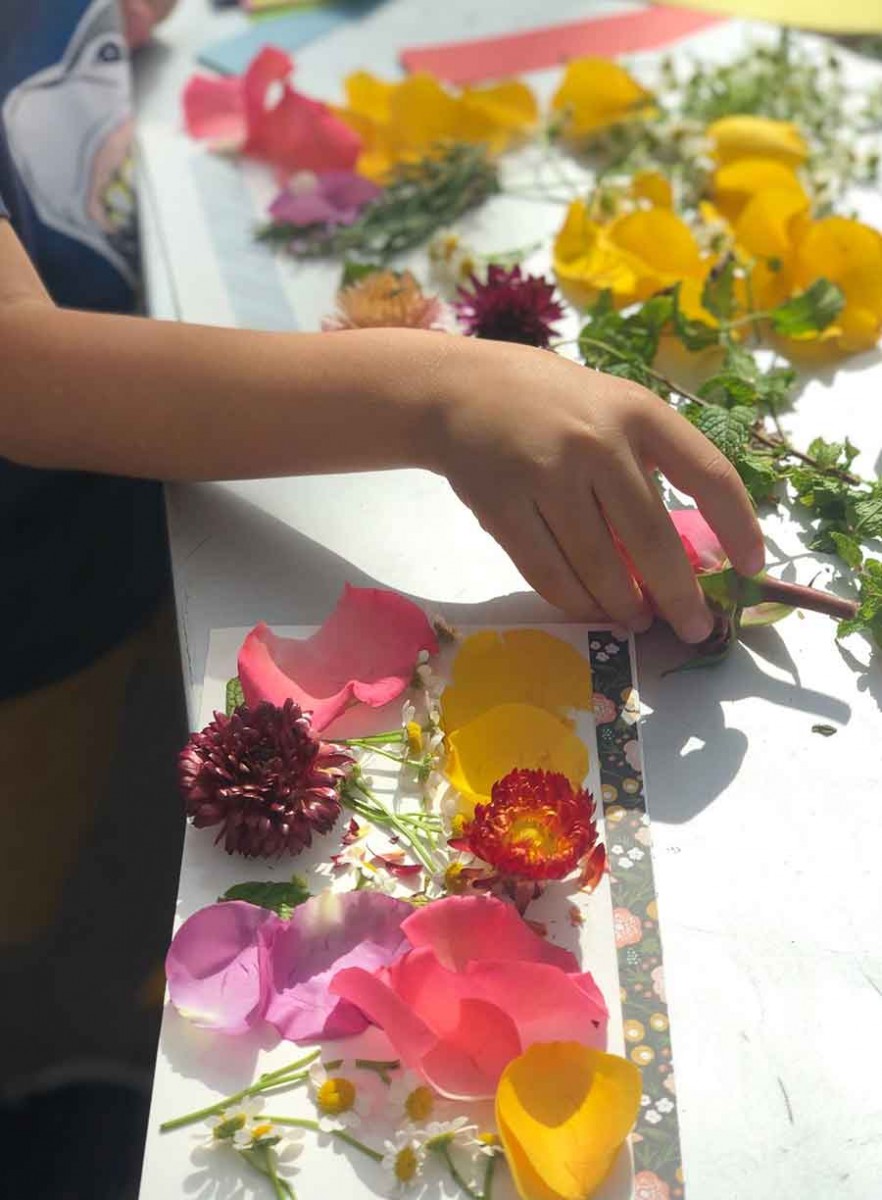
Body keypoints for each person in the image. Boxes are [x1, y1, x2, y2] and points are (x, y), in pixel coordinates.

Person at [0, 0, 764, 1189]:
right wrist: (433, 397)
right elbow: (17, 368)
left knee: (118, 793)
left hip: (125, 504)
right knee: (32, 881)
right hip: (27, 606)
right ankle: (54, 1058)